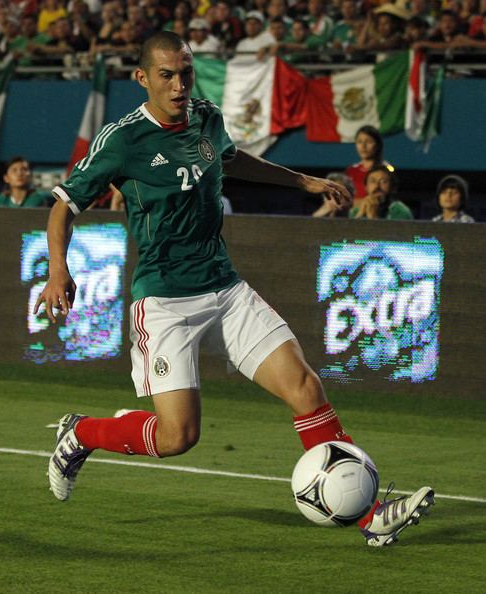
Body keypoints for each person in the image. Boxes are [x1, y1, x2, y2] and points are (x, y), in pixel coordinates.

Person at [35, 31, 434, 547]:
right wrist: (56, 270)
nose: (178, 85)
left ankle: (369, 516)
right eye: (166, 75)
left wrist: (301, 182)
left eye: (185, 72)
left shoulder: (204, 115)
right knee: (179, 436)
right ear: (142, 78)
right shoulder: (122, 140)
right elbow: (64, 205)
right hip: (163, 301)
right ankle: (82, 433)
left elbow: (230, 159)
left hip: (225, 288)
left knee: (306, 387)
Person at [345, 125, 391, 203]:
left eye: (369, 141)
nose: (363, 146)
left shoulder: (386, 170)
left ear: (377, 145)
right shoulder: (350, 171)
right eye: (359, 142)